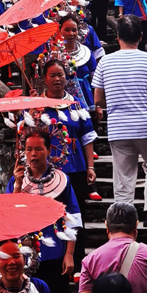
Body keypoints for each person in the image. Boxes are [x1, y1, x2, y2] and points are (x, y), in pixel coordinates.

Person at [92, 15, 147, 221]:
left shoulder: (105, 62)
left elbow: (98, 100)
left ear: (117, 37)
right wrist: (144, 102)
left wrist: (119, 103)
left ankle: (124, 219)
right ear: (141, 37)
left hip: (119, 127)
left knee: (123, 175)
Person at [8, 128, 81, 293]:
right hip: (24, 256)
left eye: (39, 149)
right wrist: (17, 186)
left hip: (54, 254)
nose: (33, 154)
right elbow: (9, 216)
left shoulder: (62, 181)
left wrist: (69, 253)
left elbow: (73, 217)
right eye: (29, 149)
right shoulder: (15, 182)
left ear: (49, 150)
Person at [41, 57, 95, 268]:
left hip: (75, 168)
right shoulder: (37, 108)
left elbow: (87, 136)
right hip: (46, 173)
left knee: (75, 213)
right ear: (44, 79)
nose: (57, 79)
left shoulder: (75, 104)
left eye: (60, 75)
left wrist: (90, 166)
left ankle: (78, 260)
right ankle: (53, 259)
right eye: (52, 75)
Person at [56, 12, 100, 112]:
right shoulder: (55, 54)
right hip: (63, 102)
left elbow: (96, 81)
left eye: (74, 30)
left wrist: (98, 105)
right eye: (66, 30)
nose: (71, 33)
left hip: (87, 99)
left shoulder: (86, 52)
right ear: (60, 30)